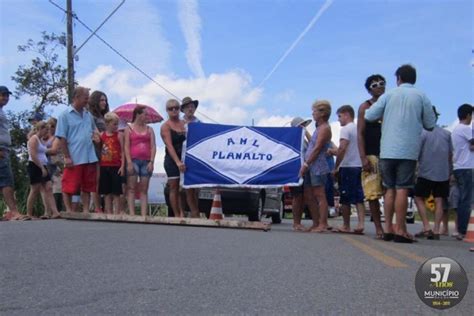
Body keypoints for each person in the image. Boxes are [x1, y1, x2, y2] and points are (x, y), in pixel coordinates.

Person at [365, 64, 436, 243]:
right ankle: (401, 230)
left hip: (387, 149)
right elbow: (430, 124)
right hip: (408, 151)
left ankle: (388, 229)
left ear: (398, 79)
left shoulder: (388, 95)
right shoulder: (421, 96)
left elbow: (369, 115)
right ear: (414, 79)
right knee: (402, 188)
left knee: (389, 189)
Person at [55, 86, 101, 214]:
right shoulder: (64, 115)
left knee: (87, 186)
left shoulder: (88, 115)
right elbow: (62, 138)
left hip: (89, 155)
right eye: (85, 98)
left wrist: (97, 137)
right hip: (75, 156)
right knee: (69, 185)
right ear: (76, 97)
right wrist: (67, 156)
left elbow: (94, 131)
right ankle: (69, 210)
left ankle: (86, 210)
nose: (87, 101)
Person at [413, 106, 452, 240]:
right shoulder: (447, 134)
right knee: (439, 200)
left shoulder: (422, 133)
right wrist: (449, 170)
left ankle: (426, 226)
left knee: (418, 197)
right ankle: (436, 229)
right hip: (443, 172)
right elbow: (450, 154)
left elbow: (417, 153)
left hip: (426, 171)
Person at [357, 74, 386, 239]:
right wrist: (363, 157)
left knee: (390, 191)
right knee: (373, 194)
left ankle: (390, 226)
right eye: (375, 84)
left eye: (382, 83)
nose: (379, 86)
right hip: (371, 154)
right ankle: (378, 228)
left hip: (389, 153)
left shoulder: (389, 104)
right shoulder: (364, 107)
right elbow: (360, 133)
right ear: (369, 89)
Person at [299, 100, 332, 232]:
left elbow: (317, 148)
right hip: (310, 165)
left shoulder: (325, 129)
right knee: (308, 194)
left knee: (319, 194)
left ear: (322, 113)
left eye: (314, 111)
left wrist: (306, 164)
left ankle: (323, 223)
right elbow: (313, 143)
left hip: (317, 165)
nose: (312, 114)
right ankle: (316, 222)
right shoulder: (319, 129)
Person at [333, 105, 365, 234]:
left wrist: (336, 167)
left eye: (340, 116)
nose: (339, 120)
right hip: (359, 165)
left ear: (346, 114)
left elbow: (342, 148)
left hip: (347, 166)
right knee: (358, 196)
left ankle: (346, 225)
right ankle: (361, 223)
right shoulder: (359, 129)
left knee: (345, 198)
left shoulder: (346, 129)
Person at [124, 105, 156, 216]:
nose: (147, 116)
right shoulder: (128, 129)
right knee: (131, 187)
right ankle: (132, 214)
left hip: (146, 161)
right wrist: (128, 162)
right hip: (133, 160)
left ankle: (143, 215)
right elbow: (126, 146)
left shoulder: (149, 129)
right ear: (138, 114)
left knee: (144, 188)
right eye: (145, 114)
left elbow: (153, 146)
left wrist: (152, 162)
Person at [289, 116, 320, 231]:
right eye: (301, 126)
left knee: (305, 197)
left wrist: (306, 132)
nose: (303, 128)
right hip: (296, 171)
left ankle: (305, 222)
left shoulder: (305, 140)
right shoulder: (293, 139)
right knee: (297, 196)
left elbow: (314, 144)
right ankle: (296, 223)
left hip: (306, 170)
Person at [25, 121, 61, 219]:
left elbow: (45, 151)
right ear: (40, 129)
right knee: (35, 189)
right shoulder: (34, 139)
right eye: (46, 130)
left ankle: (55, 212)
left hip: (44, 165)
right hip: (35, 165)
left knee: (48, 188)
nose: (47, 132)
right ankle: (29, 213)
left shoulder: (41, 140)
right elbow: (33, 154)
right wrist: (41, 167)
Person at [0, 86, 24, 220]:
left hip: (5, 148)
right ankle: (14, 212)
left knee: (3, 181)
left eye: (7, 95)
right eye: (2, 95)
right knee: (6, 181)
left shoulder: (2, 111)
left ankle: (9, 211)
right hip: (1, 149)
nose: (5, 98)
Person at [451, 103, 473, 241]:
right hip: (466, 168)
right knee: (466, 200)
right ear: (468, 115)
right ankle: (463, 230)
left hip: (458, 167)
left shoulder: (456, 129)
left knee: (461, 200)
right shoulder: (465, 129)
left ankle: (460, 228)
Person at [161, 99, 187, 218]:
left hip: (185, 159)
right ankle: (177, 214)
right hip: (172, 161)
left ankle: (183, 212)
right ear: (167, 111)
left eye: (176, 107)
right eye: (171, 108)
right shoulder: (165, 126)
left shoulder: (185, 123)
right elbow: (169, 146)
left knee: (184, 189)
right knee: (174, 187)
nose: (174, 110)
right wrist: (177, 162)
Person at [87, 90, 110, 213]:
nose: (104, 103)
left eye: (105, 100)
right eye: (101, 100)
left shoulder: (104, 116)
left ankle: (104, 206)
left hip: (106, 151)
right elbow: (93, 133)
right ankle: (96, 207)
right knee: (96, 179)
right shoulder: (91, 116)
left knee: (103, 180)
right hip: (95, 150)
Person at [99, 112, 124, 214]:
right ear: (107, 123)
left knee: (116, 192)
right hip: (104, 165)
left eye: (117, 124)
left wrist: (122, 166)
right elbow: (99, 148)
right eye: (114, 124)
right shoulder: (102, 135)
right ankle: (108, 211)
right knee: (106, 192)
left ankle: (117, 212)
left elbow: (123, 151)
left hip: (116, 165)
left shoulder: (119, 135)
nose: (116, 126)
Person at [181, 96, 201, 218]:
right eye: (188, 107)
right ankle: (186, 212)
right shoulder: (178, 122)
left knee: (196, 187)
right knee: (183, 187)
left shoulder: (199, 123)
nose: (190, 108)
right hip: (182, 156)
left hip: (196, 157)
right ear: (183, 109)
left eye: (192, 106)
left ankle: (195, 211)